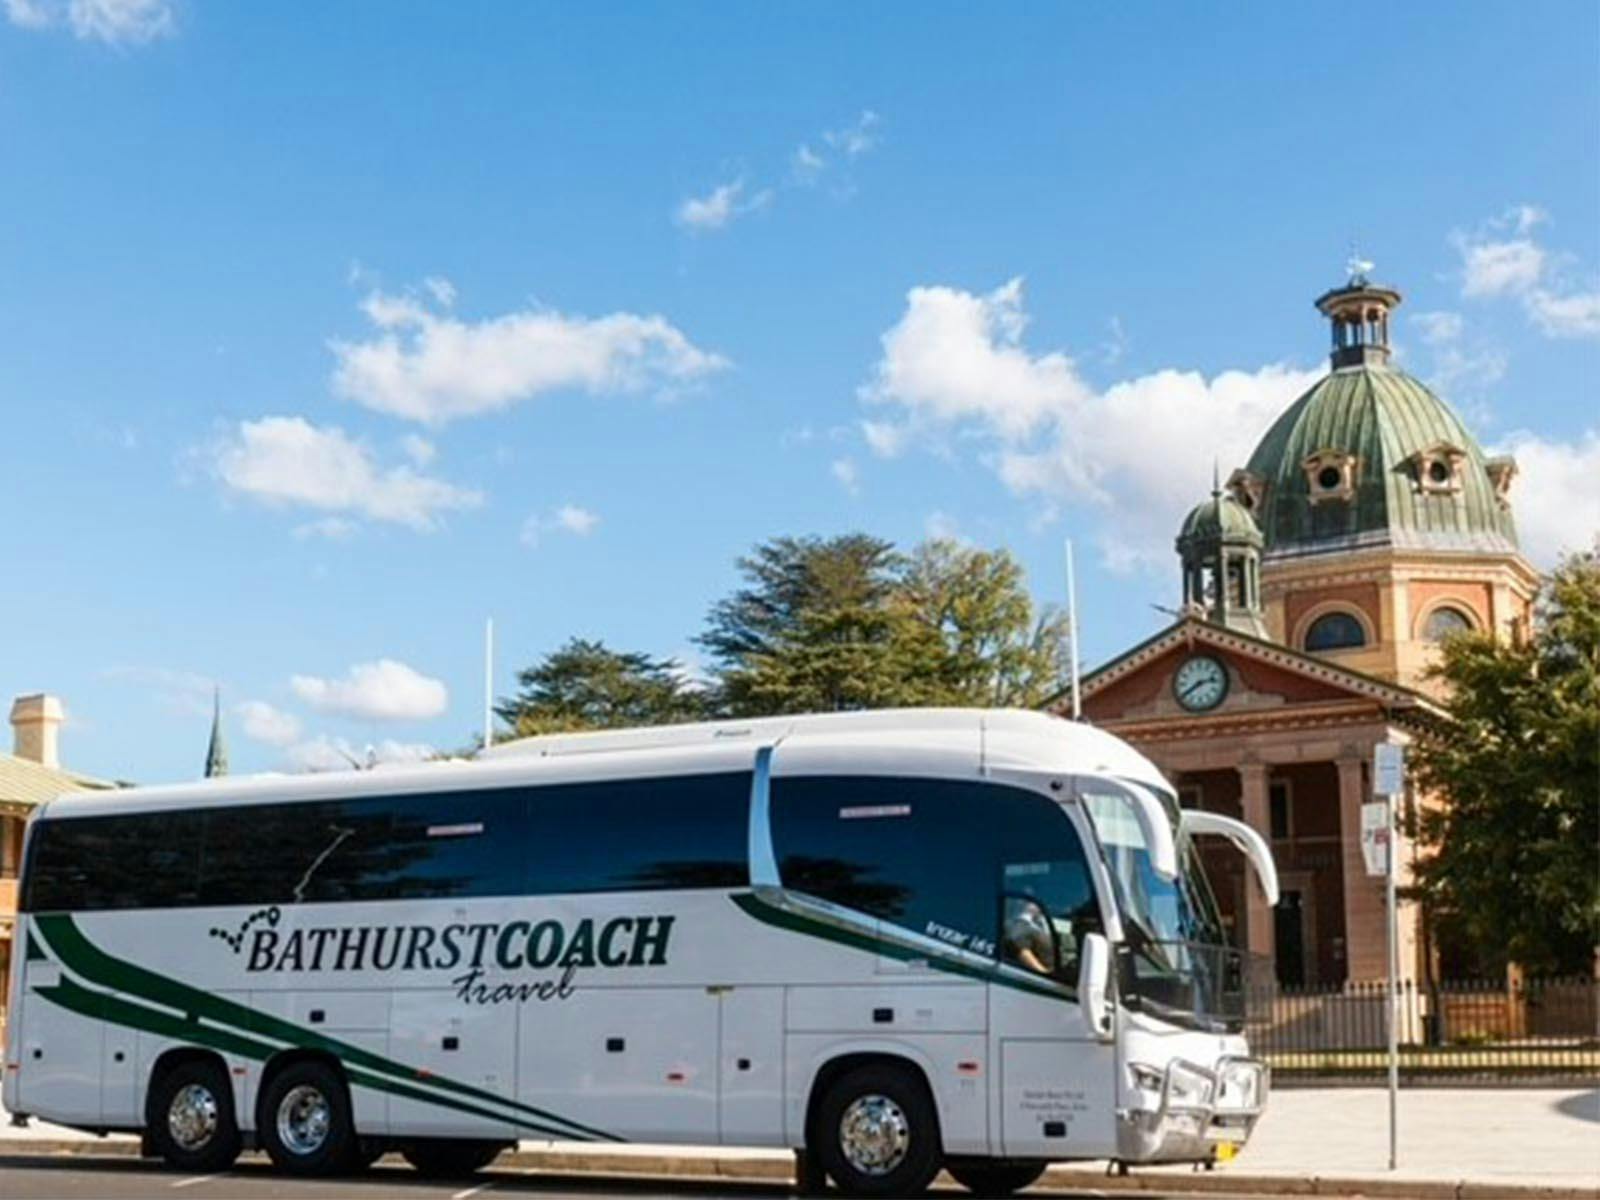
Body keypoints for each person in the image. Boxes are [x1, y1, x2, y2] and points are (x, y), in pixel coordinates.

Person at [1003, 898, 1056, 976]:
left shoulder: (1038, 925)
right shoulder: (1021, 926)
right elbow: (1023, 951)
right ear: (1027, 905)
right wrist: (1043, 972)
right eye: (1035, 904)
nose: (1040, 909)